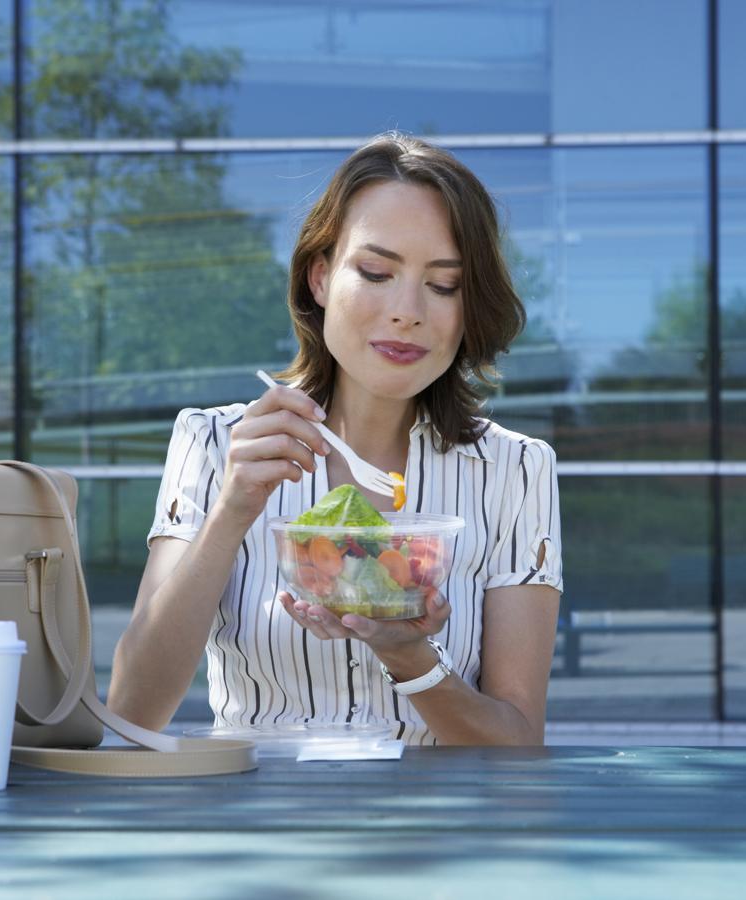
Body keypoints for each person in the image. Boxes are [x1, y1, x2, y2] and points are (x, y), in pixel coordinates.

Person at [107, 132, 563, 746]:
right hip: (260, 822)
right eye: (376, 272)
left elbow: (517, 741)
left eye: (443, 284)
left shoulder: (514, 469)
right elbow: (133, 711)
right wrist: (235, 509)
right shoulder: (216, 442)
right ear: (320, 278)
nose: (407, 310)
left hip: (441, 828)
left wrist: (410, 657)